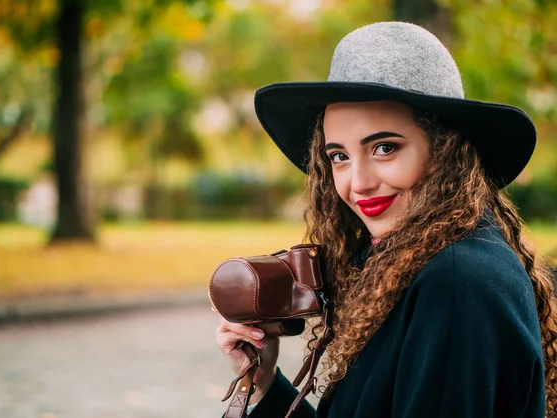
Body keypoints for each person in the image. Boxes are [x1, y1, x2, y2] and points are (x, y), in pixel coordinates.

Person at [214, 21, 557, 417]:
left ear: (446, 152)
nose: (357, 183)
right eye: (338, 156)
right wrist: (263, 382)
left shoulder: (457, 279)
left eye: (384, 147)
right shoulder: (409, 266)